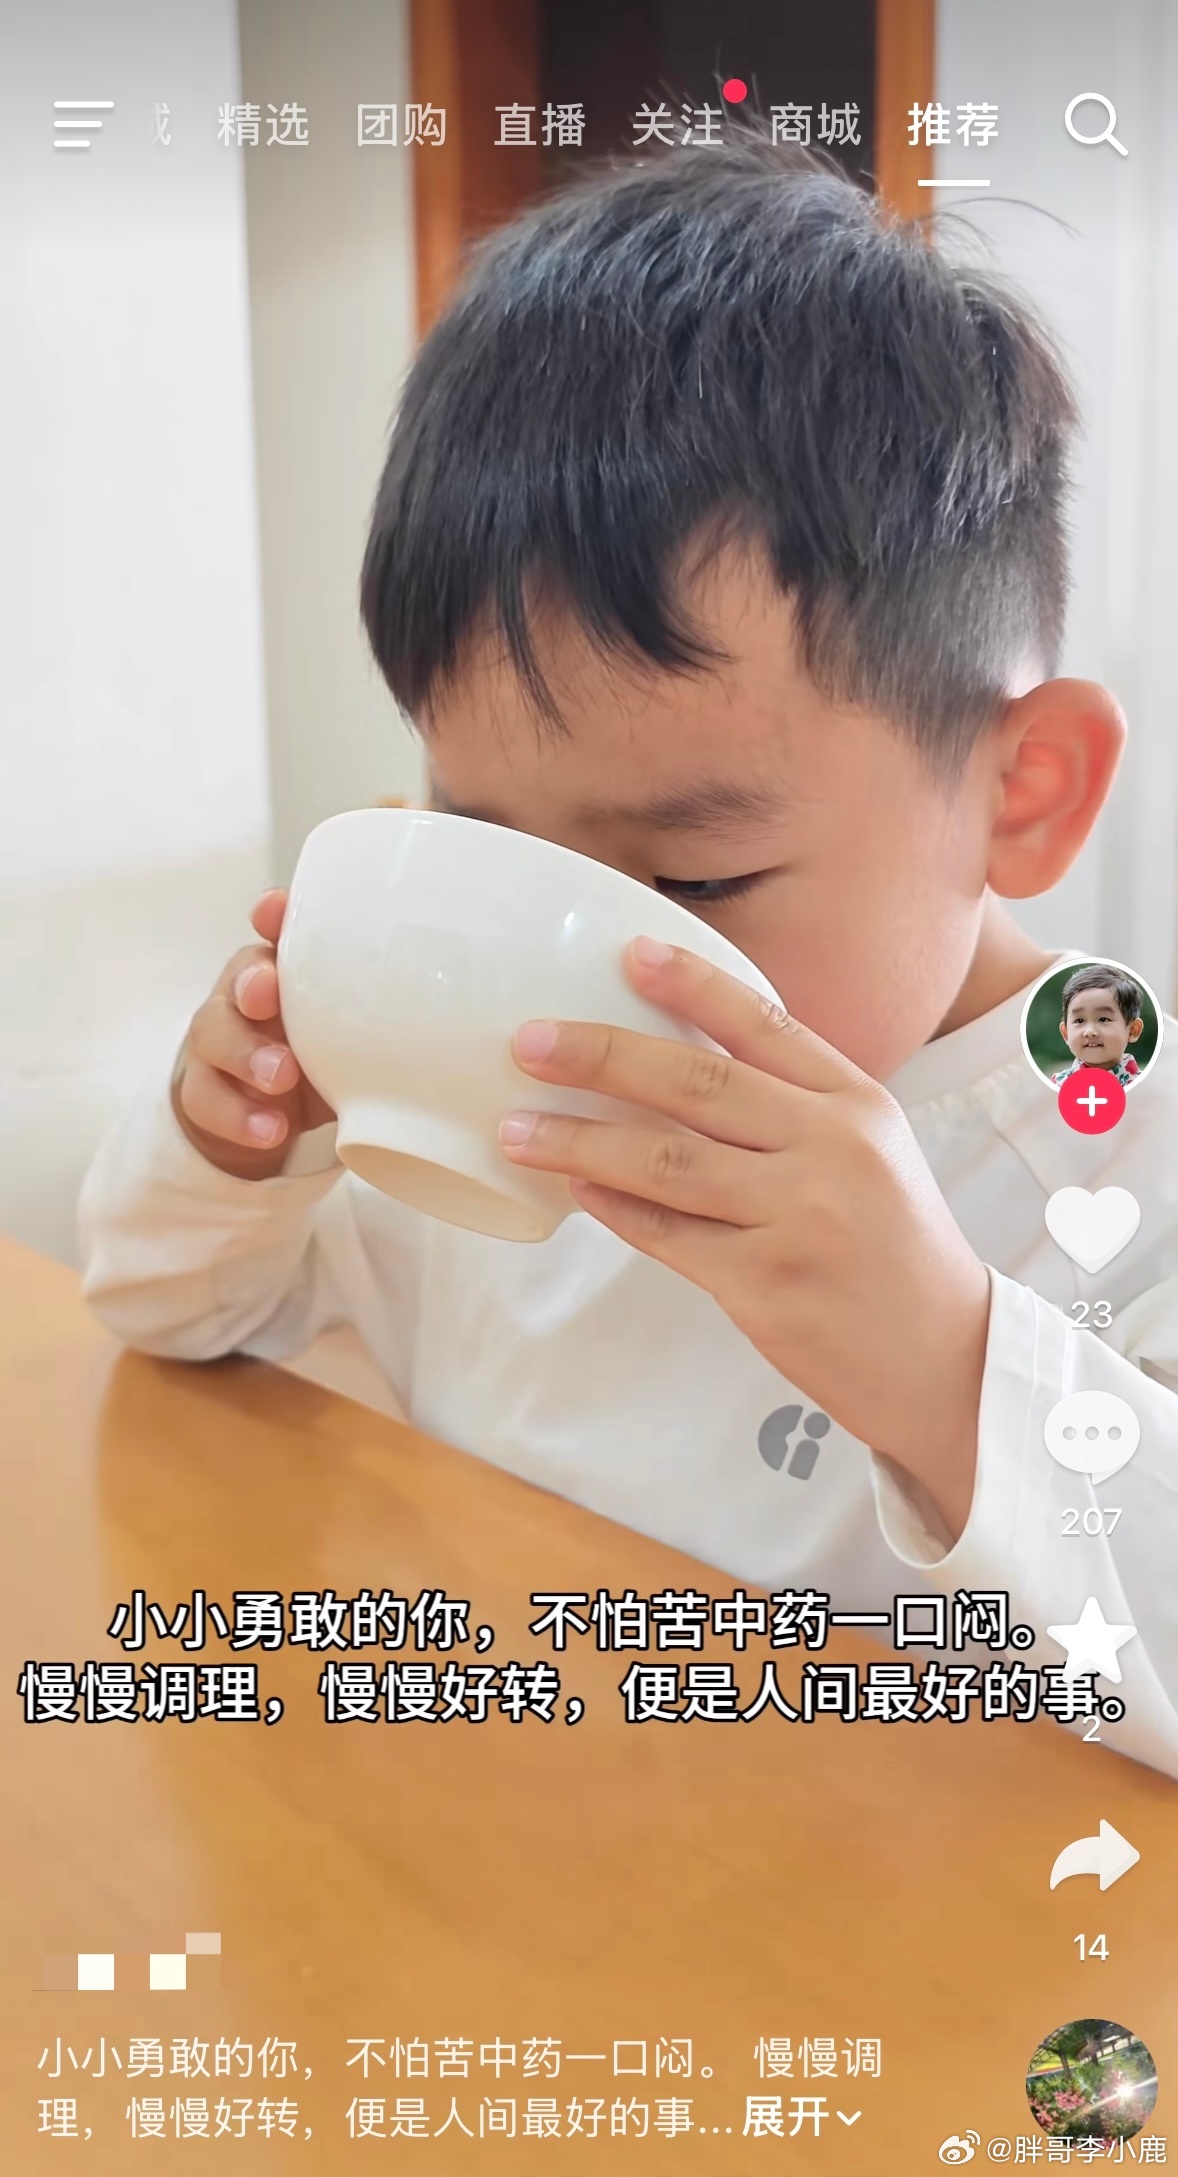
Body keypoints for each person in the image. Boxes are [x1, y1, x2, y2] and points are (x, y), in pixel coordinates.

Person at [77, 137, 1178, 1777]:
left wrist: (946, 1362)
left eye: (691, 876)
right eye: (493, 845)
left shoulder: (1120, 1153)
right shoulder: (489, 1073)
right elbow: (162, 1302)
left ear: (1020, 793)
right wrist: (231, 1144)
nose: (570, 951)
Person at [1050, 965, 1145, 1087]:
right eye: (1079, 1020)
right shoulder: (1056, 1085)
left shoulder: (1143, 1086)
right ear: (1066, 1033)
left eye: (1103, 1019)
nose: (1090, 1031)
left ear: (1132, 1030)